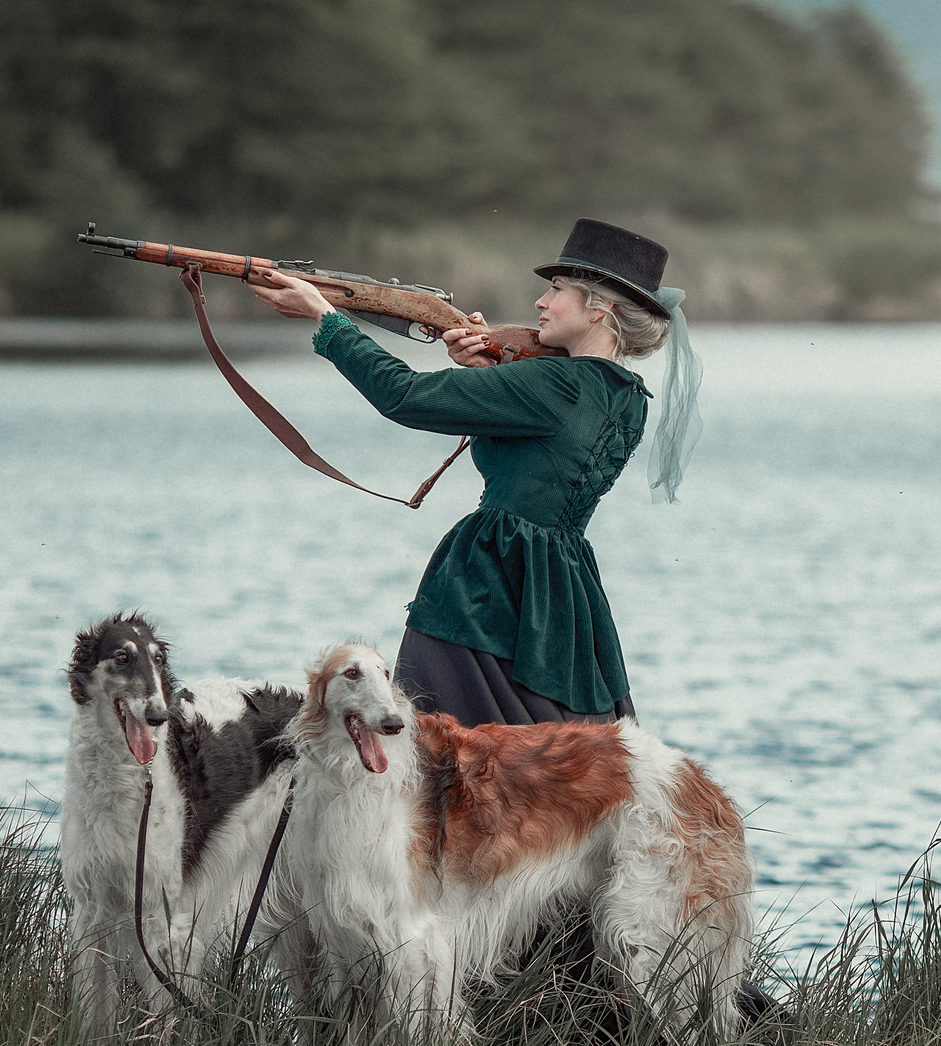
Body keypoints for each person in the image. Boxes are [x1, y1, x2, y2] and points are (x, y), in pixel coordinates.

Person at [246, 218, 700, 727]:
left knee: (444, 749)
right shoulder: (627, 396)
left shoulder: (552, 383)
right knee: (555, 757)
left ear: (600, 307)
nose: (541, 303)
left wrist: (328, 319)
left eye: (556, 290)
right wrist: (486, 369)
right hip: (564, 593)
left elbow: (404, 397)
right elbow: (541, 440)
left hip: (487, 580)